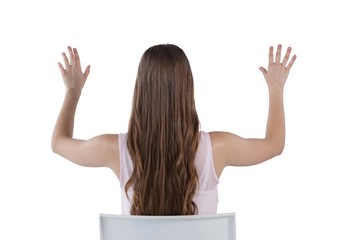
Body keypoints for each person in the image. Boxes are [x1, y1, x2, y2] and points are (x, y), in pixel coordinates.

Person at [52, 44, 296, 215]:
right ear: (187, 91)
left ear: (141, 92)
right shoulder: (218, 148)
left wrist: (73, 92)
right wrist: (276, 88)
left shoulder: (115, 150)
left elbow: (59, 143)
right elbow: (274, 144)